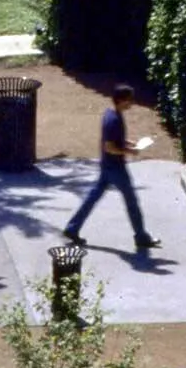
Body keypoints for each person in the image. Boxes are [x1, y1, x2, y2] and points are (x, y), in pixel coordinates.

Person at [66, 86, 158, 255]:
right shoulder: (113, 120)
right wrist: (130, 151)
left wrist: (129, 143)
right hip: (116, 168)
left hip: (107, 166)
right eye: (130, 99)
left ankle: (72, 227)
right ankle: (141, 236)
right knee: (131, 201)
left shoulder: (111, 113)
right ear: (122, 100)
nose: (132, 103)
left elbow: (115, 141)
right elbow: (109, 147)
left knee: (92, 197)